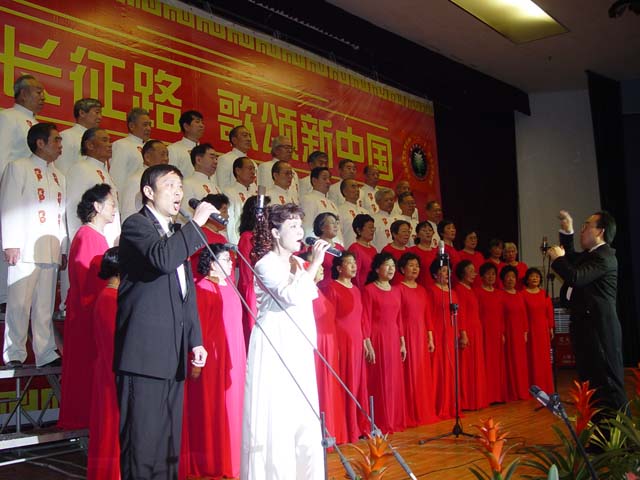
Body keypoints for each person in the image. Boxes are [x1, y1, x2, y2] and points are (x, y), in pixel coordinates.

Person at [114, 164, 216, 479]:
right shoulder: (136, 225)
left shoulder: (175, 233)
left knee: (168, 444)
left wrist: (195, 340)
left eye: (180, 186)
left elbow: (186, 294)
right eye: (170, 185)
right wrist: (196, 224)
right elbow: (162, 259)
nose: (178, 193)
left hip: (172, 355)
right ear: (149, 191)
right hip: (143, 357)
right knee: (142, 444)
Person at [241, 203, 329, 479]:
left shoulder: (299, 263)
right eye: (292, 226)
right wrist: (315, 264)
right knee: (277, 414)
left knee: (302, 414)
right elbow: (290, 295)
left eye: (300, 225)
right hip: (275, 343)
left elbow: (306, 301)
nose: (300, 232)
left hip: (297, 343)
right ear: (276, 233)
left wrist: (309, 267)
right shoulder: (265, 263)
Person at [548, 209, 626, 414]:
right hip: (586, 330)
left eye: (586, 226)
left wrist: (557, 260)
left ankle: (619, 431)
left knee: (607, 385)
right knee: (590, 385)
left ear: (600, 231)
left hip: (600, 331)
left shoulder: (605, 256)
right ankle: (598, 430)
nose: (582, 230)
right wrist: (568, 232)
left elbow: (575, 277)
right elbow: (572, 259)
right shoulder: (591, 256)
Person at [1, 122, 66, 368]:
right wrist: (11, 243)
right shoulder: (18, 167)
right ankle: (14, 352)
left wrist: (62, 248)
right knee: (19, 303)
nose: (60, 145)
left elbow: (61, 214)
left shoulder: (59, 175)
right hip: (24, 247)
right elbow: (9, 205)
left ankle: (45, 351)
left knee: (44, 306)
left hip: (50, 248)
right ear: (40, 143)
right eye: (56, 140)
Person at [182, 244, 245, 479]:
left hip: (234, 356)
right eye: (225, 260)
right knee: (212, 408)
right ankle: (212, 460)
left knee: (233, 407)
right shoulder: (202, 287)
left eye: (231, 260)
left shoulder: (230, 288)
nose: (231, 263)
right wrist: (197, 362)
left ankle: (233, 458)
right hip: (213, 358)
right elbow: (200, 329)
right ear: (211, 263)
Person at [58, 184, 116, 430]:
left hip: (97, 311)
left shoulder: (98, 236)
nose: (114, 208)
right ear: (97, 206)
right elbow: (84, 280)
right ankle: (83, 419)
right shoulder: (86, 235)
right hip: (87, 315)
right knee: (85, 369)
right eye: (111, 203)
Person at [0, 75, 45, 311]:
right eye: (38, 92)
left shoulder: (35, 123)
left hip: (34, 195)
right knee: (9, 241)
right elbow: (2, 153)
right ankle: (4, 297)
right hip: (13, 189)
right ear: (23, 93)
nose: (43, 97)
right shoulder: (8, 117)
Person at [322, 253, 368, 443]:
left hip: (357, 341)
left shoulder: (356, 290)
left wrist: (366, 341)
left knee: (357, 383)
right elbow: (329, 319)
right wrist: (334, 346)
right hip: (342, 341)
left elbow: (361, 319)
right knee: (345, 383)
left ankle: (357, 426)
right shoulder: (332, 288)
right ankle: (345, 429)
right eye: (349, 263)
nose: (354, 266)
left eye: (354, 263)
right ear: (339, 268)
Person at [362, 252, 406, 433]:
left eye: (393, 266)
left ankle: (394, 419)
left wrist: (402, 342)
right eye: (387, 265)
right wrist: (368, 343)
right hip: (378, 338)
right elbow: (365, 319)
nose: (391, 269)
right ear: (377, 269)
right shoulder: (369, 290)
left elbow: (399, 318)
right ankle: (380, 420)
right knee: (380, 379)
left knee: (394, 379)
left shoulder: (396, 290)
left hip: (394, 338)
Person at [306, 254, 347, 446]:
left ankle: (333, 428)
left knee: (330, 385)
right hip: (317, 343)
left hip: (329, 343)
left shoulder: (319, 290)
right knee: (320, 385)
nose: (322, 269)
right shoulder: (305, 293)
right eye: (317, 266)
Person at [87, 247, 121, 480]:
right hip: (112, 370)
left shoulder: (111, 296)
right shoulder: (109, 298)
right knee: (111, 424)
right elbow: (114, 340)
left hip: (111, 367)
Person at [397, 253, 437, 426]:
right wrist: (401, 339)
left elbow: (427, 316)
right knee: (409, 374)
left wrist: (430, 338)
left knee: (421, 373)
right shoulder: (398, 289)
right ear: (402, 269)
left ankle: (423, 410)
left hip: (421, 335)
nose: (415, 269)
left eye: (417, 266)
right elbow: (397, 316)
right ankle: (410, 412)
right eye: (411, 265)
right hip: (407, 334)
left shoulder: (422, 290)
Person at [65, 128, 120, 246]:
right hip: (90, 242)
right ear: (90, 145)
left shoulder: (105, 172)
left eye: (109, 140)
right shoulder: (80, 168)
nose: (109, 145)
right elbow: (74, 207)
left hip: (109, 240)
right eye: (104, 140)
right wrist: (78, 242)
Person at [237, 195, 270, 348]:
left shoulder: (268, 238)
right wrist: (251, 298)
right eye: (266, 210)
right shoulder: (247, 237)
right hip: (254, 293)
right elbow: (246, 274)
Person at [455, 260, 488, 411]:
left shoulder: (471, 289)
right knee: (466, 366)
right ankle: (466, 401)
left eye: (474, 271)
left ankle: (476, 399)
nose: (474, 274)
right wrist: (463, 333)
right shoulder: (459, 289)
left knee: (476, 365)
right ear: (462, 272)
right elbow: (460, 314)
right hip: (467, 331)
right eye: (470, 270)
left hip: (476, 330)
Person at [428, 259, 459, 419]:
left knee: (450, 369)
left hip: (451, 333)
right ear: (435, 274)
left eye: (448, 271)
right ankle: (437, 404)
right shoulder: (432, 291)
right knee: (438, 369)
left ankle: (450, 405)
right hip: (438, 333)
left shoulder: (453, 293)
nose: (447, 274)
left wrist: (458, 334)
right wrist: (430, 336)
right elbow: (428, 314)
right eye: (443, 271)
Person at [474, 262, 507, 404]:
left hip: (497, 332)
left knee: (497, 364)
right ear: (481, 276)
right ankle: (488, 396)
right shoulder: (477, 292)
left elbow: (501, 315)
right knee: (486, 364)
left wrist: (502, 332)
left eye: (493, 274)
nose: (491, 276)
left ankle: (498, 395)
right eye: (488, 274)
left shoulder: (499, 293)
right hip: (484, 332)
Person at [522, 267, 554, 395]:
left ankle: (546, 386)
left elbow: (549, 312)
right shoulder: (522, 294)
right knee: (532, 357)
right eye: (532, 276)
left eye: (537, 276)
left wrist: (550, 327)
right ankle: (534, 386)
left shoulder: (544, 294)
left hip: (543, 330)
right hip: (530, 330)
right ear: (527, 279)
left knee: (544, 358)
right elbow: (522, 314)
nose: (535, 278)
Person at [119, 139, 169, 220]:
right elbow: (128, 215)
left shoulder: (164, 181)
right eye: (162, 154)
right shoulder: (136, 180)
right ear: (147, 157)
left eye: (167, 155)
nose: (166, 159)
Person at [500, 265, 530, 401]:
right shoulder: (500, 295)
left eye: (513, 277)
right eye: (508, 277)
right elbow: (499, 316)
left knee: (521, 362)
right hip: (508, 332)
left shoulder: (519, 295)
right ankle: (512, 391)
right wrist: (502, 332)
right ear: (503, 279)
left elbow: (524, 315)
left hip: (519, 333)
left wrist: (525, 331)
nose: (511, 279)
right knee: (510, 362)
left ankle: (522, 389)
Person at [56, 98, 103, 174]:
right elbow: (62, 169)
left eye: (100, 113)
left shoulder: (99, 140)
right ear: (82, 113)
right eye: (97, 112)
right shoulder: (67, 136)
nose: (100, 117)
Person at [109, 107, 152, 190]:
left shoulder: (151, 147)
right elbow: (116, 178)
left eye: (150, 125)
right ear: (132, 126)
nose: (149, 128)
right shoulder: (122, 145)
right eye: (145, 125)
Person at [300, 166, 342, 243]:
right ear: (314, 181)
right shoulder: (308, 199)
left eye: (329, 179)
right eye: (324, 178)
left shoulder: (332, 204)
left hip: (335, 246)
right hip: (319, 246)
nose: (328, 182)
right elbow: (307, 226)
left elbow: (338, 232)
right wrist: (311, 246)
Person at [222, 156, 258, 244]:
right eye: (250, 168)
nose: (253, 172)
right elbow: (230, 223)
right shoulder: (229, 192)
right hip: (239, 242)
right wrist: (235, 245)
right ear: (238, 171)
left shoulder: (255, 193)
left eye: (254, 169)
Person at [181, 143, 221, 218]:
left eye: (216, 158)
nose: (216, 162)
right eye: (212, 157)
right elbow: (186, 215)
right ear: (198, 160)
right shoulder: (187, 184)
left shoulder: (216, 187)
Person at [257, 136, 299, 200]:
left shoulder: (294, 173)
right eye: (286, 147)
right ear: (276, 150)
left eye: (291, 148)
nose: (290, 151)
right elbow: (264, 192)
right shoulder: (266, 167)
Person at [311, 212, 344, 291]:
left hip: (339, 289)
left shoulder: (340, 248)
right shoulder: (315, 248)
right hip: (323, 290)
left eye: (336, 223)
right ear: (322, 227)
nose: (336, 226)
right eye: (332, 223)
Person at [168, 110, 205, 178]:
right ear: (186, 126)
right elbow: (170, 176)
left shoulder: (206, 152)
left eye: (202, 122)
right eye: (197, 122)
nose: (201, 125)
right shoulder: (173, 149)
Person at [216, 125, 255, 189]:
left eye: (250, 136)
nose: (249, 139)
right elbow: (222, 187)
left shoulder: (253, 163)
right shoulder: (225, 159)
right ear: (234, 140)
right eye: (245, 135)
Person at [347, 214, 377, 290]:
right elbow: (354, 275)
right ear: (358, 230)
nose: (372, 230)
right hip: (361, 290)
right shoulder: (354, 248)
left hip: (373, 290)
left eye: (373, 228)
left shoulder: (373, 249)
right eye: (370, 227)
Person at [337, 178, 366, 249]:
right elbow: (338, 234)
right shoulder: (339, 210)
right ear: (344, 191)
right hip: (348, 250)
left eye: (357, 187)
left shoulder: (365, 212)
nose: (357, 190)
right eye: (353, 187)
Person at [382, 219, 411, 285]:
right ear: (394, 234)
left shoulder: (409, 251)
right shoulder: (387, 250)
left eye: (408, 232)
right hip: (393, 287)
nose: (407, 234)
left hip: (407, 286)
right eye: (404, 231)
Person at [409, 221, 437, 289]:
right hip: (418, 288)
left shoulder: (437, 252)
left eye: (430, 230)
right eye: (424, 230)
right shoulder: (412, 251)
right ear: (418, 234)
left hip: (435, 288)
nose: (428, 232)